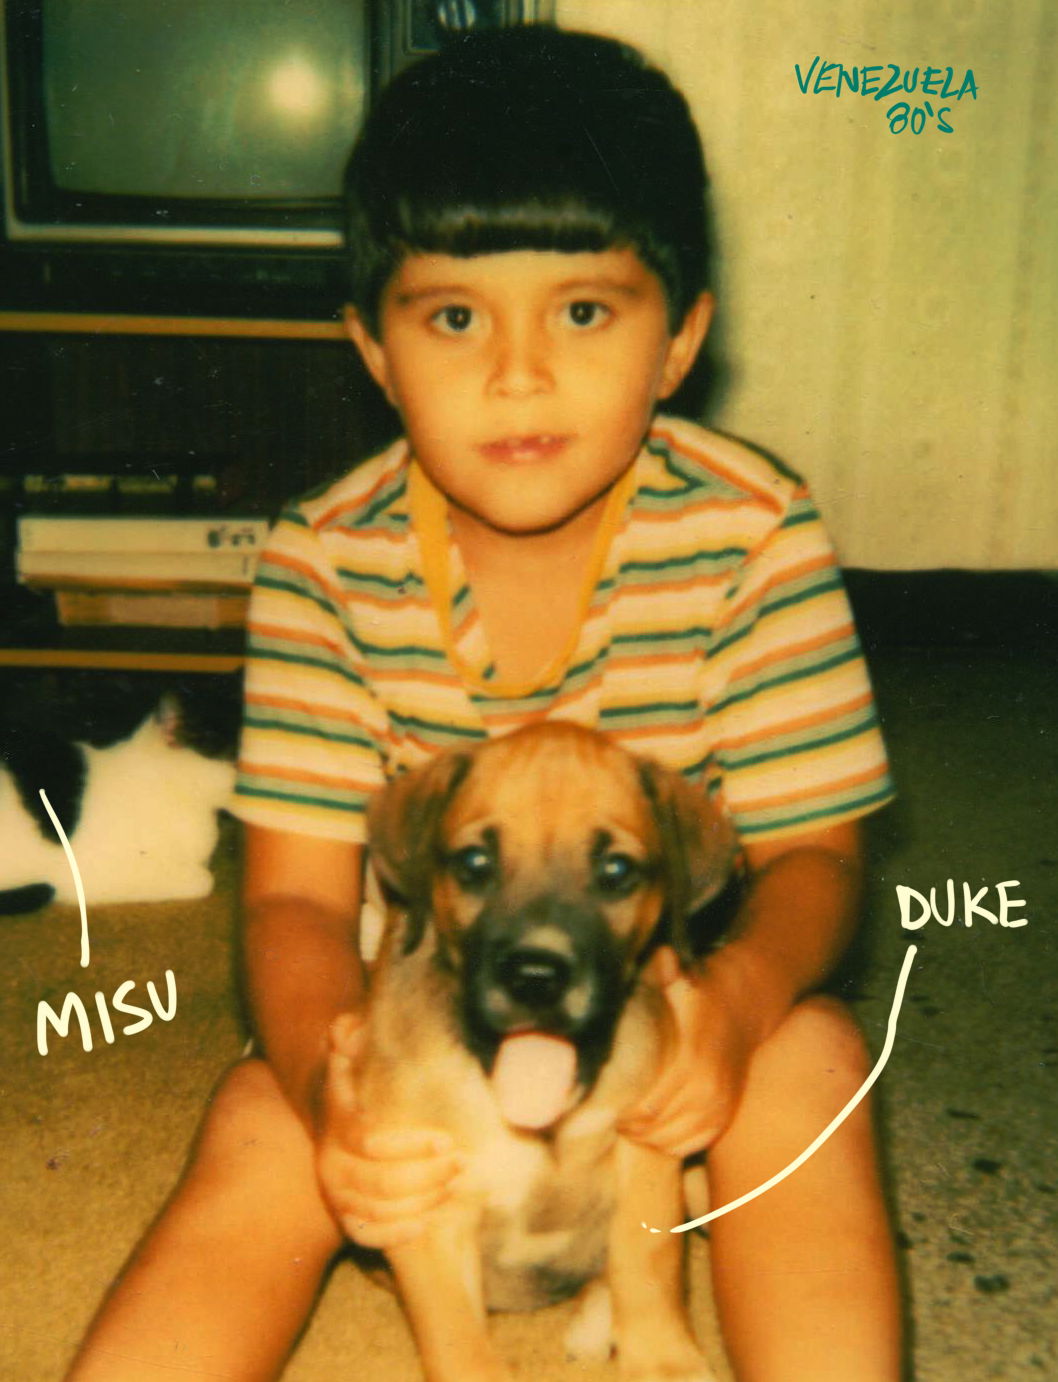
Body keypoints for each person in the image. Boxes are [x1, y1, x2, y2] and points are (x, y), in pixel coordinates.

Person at [68, 25, 902, 1382]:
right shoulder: (324, 559)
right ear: (374, 349)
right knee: (261, 1116)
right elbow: (291, 905)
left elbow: (817, 855)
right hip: (424, 1034)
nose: (518, 373)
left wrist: (738, 1006)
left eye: (583, 312)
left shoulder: (756, 533)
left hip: (656, 1045)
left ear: (679, 338)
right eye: (455, 318)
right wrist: (329, 1085)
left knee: (809, 1055)